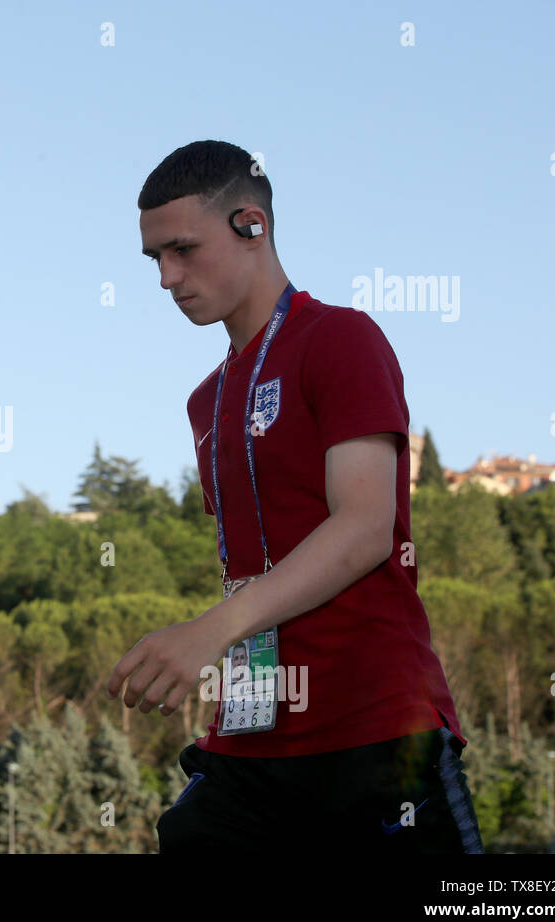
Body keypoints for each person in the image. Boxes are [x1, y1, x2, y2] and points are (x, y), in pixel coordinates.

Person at [109, 140, 483, 853]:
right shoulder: (204, 402)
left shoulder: (341, 339)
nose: (166, 276)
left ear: (252, 224)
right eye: (154, 257)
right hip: (250, 739)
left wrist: (207, 632)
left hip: (375, 731)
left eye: (183, 249)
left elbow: (367, 526)